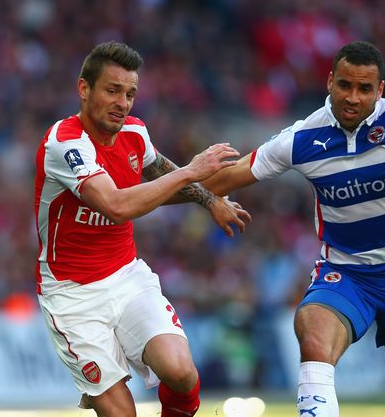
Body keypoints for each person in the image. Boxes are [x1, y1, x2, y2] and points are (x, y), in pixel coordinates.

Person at [203, 41, 385, 417]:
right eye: (345, 85)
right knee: (312, 331)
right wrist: (162, 192)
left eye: (364, 89)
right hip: (347, 273)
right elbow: (222, 178)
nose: (353, 98)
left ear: (380, 90)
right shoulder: (301, 139)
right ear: (329, 81)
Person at [33, 41, 250, 417]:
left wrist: (209, 199)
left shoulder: (135, 133)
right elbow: (118, 206)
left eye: (130, 93)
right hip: (72, 297)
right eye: (112, 90)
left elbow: (161, 177)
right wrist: (192, 171)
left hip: (127, 276)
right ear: (84, 89)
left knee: (181, 372)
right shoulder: (65, 144)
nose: (123, 102)